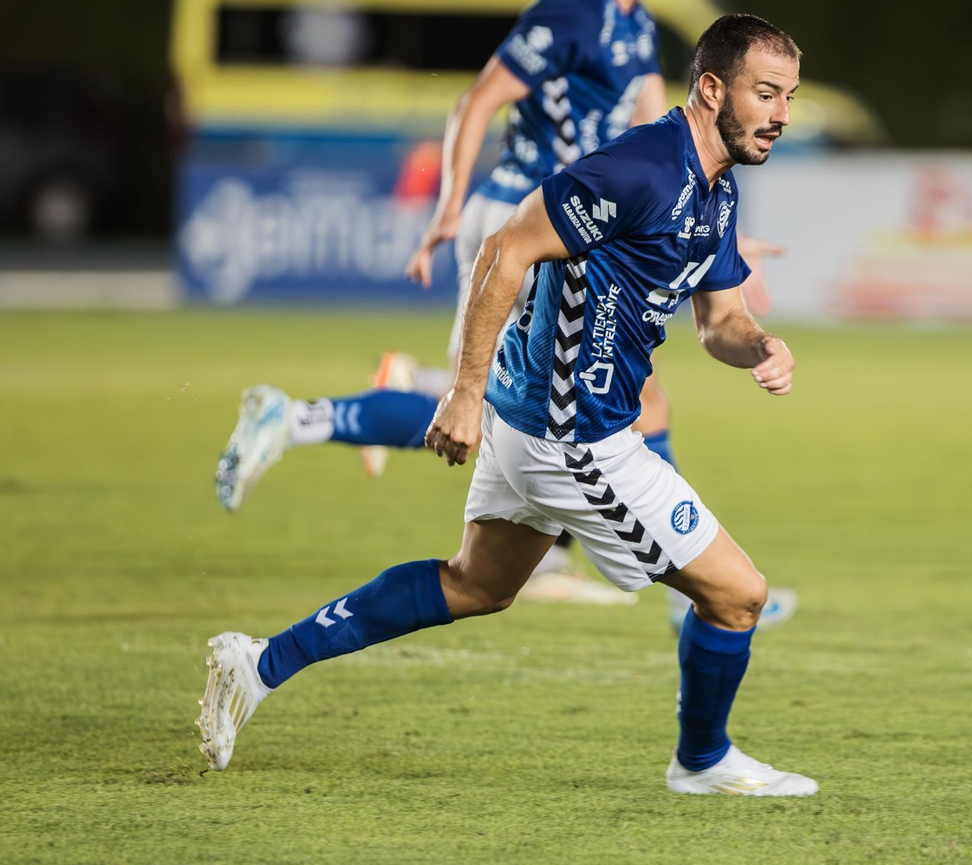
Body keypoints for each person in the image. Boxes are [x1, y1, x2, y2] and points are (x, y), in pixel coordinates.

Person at [197, 14, 815, 797]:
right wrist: (460, 392)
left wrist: (761, 347)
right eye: (766, 94)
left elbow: (721, 322)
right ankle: (701, 760)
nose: (782, 115)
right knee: (739, 594)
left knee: (474, 585)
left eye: (788, 97)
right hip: (575, 439)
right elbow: (506, 249)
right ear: (713, 87)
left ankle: (256, 663)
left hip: (540, 426)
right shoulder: (640, 168)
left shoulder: (715, 193)